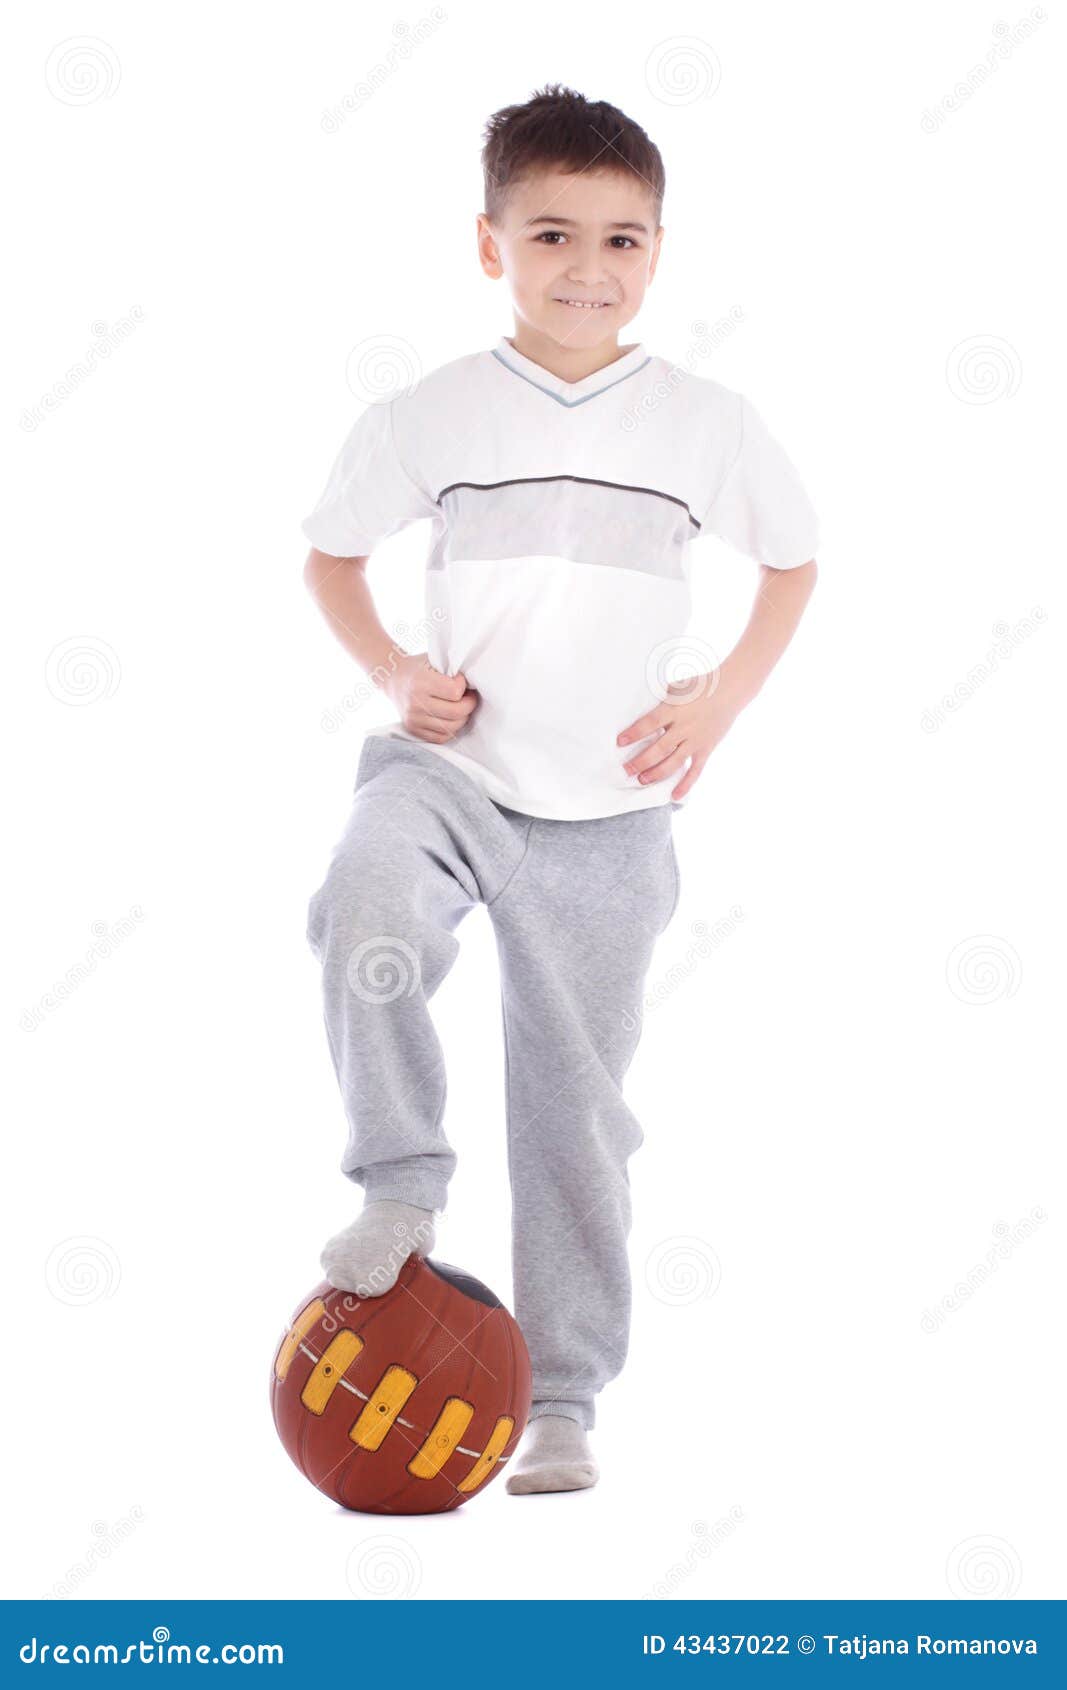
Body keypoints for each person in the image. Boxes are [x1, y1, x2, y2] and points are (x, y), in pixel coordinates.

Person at [300, 84, 819, 1495]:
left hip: (607, 819)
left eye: (622, 241)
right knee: (362, 903)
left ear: (658, 251)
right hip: (447, 775)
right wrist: (395, 668)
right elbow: (330, 558)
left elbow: (795, 562)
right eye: (552, 236)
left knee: (575, 1107)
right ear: (491, 248)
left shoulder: (706, 422)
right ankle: (398, 1179)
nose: (588, 270)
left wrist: (721, 702)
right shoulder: (434, 412)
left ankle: (566, 1393)